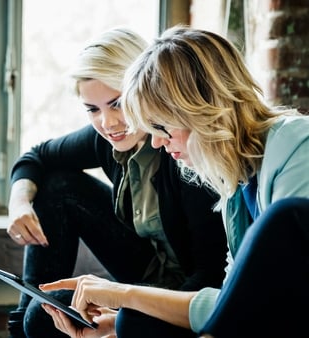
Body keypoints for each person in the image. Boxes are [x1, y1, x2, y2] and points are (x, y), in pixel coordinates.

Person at [40, 25, 309, 338]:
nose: (156, 143)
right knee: (130, 322)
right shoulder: (234, 186)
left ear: (200, 109)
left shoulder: (296, 143)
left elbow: (273, 301)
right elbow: (231, 302)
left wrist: (124, 294)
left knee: (281, 218)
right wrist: (116, 321)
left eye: (162, 126)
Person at [6, 27, 228, 338]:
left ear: (145, 89)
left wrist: (128, 313)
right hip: (145, 267)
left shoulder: (183, 151)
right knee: (57, 188)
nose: (108, 123)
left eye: (118, 103)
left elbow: (210, 276)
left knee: (49, 315)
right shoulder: (106, 141)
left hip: (187, 293)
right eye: (93, 110)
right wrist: (19, 203)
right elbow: (37, 157)